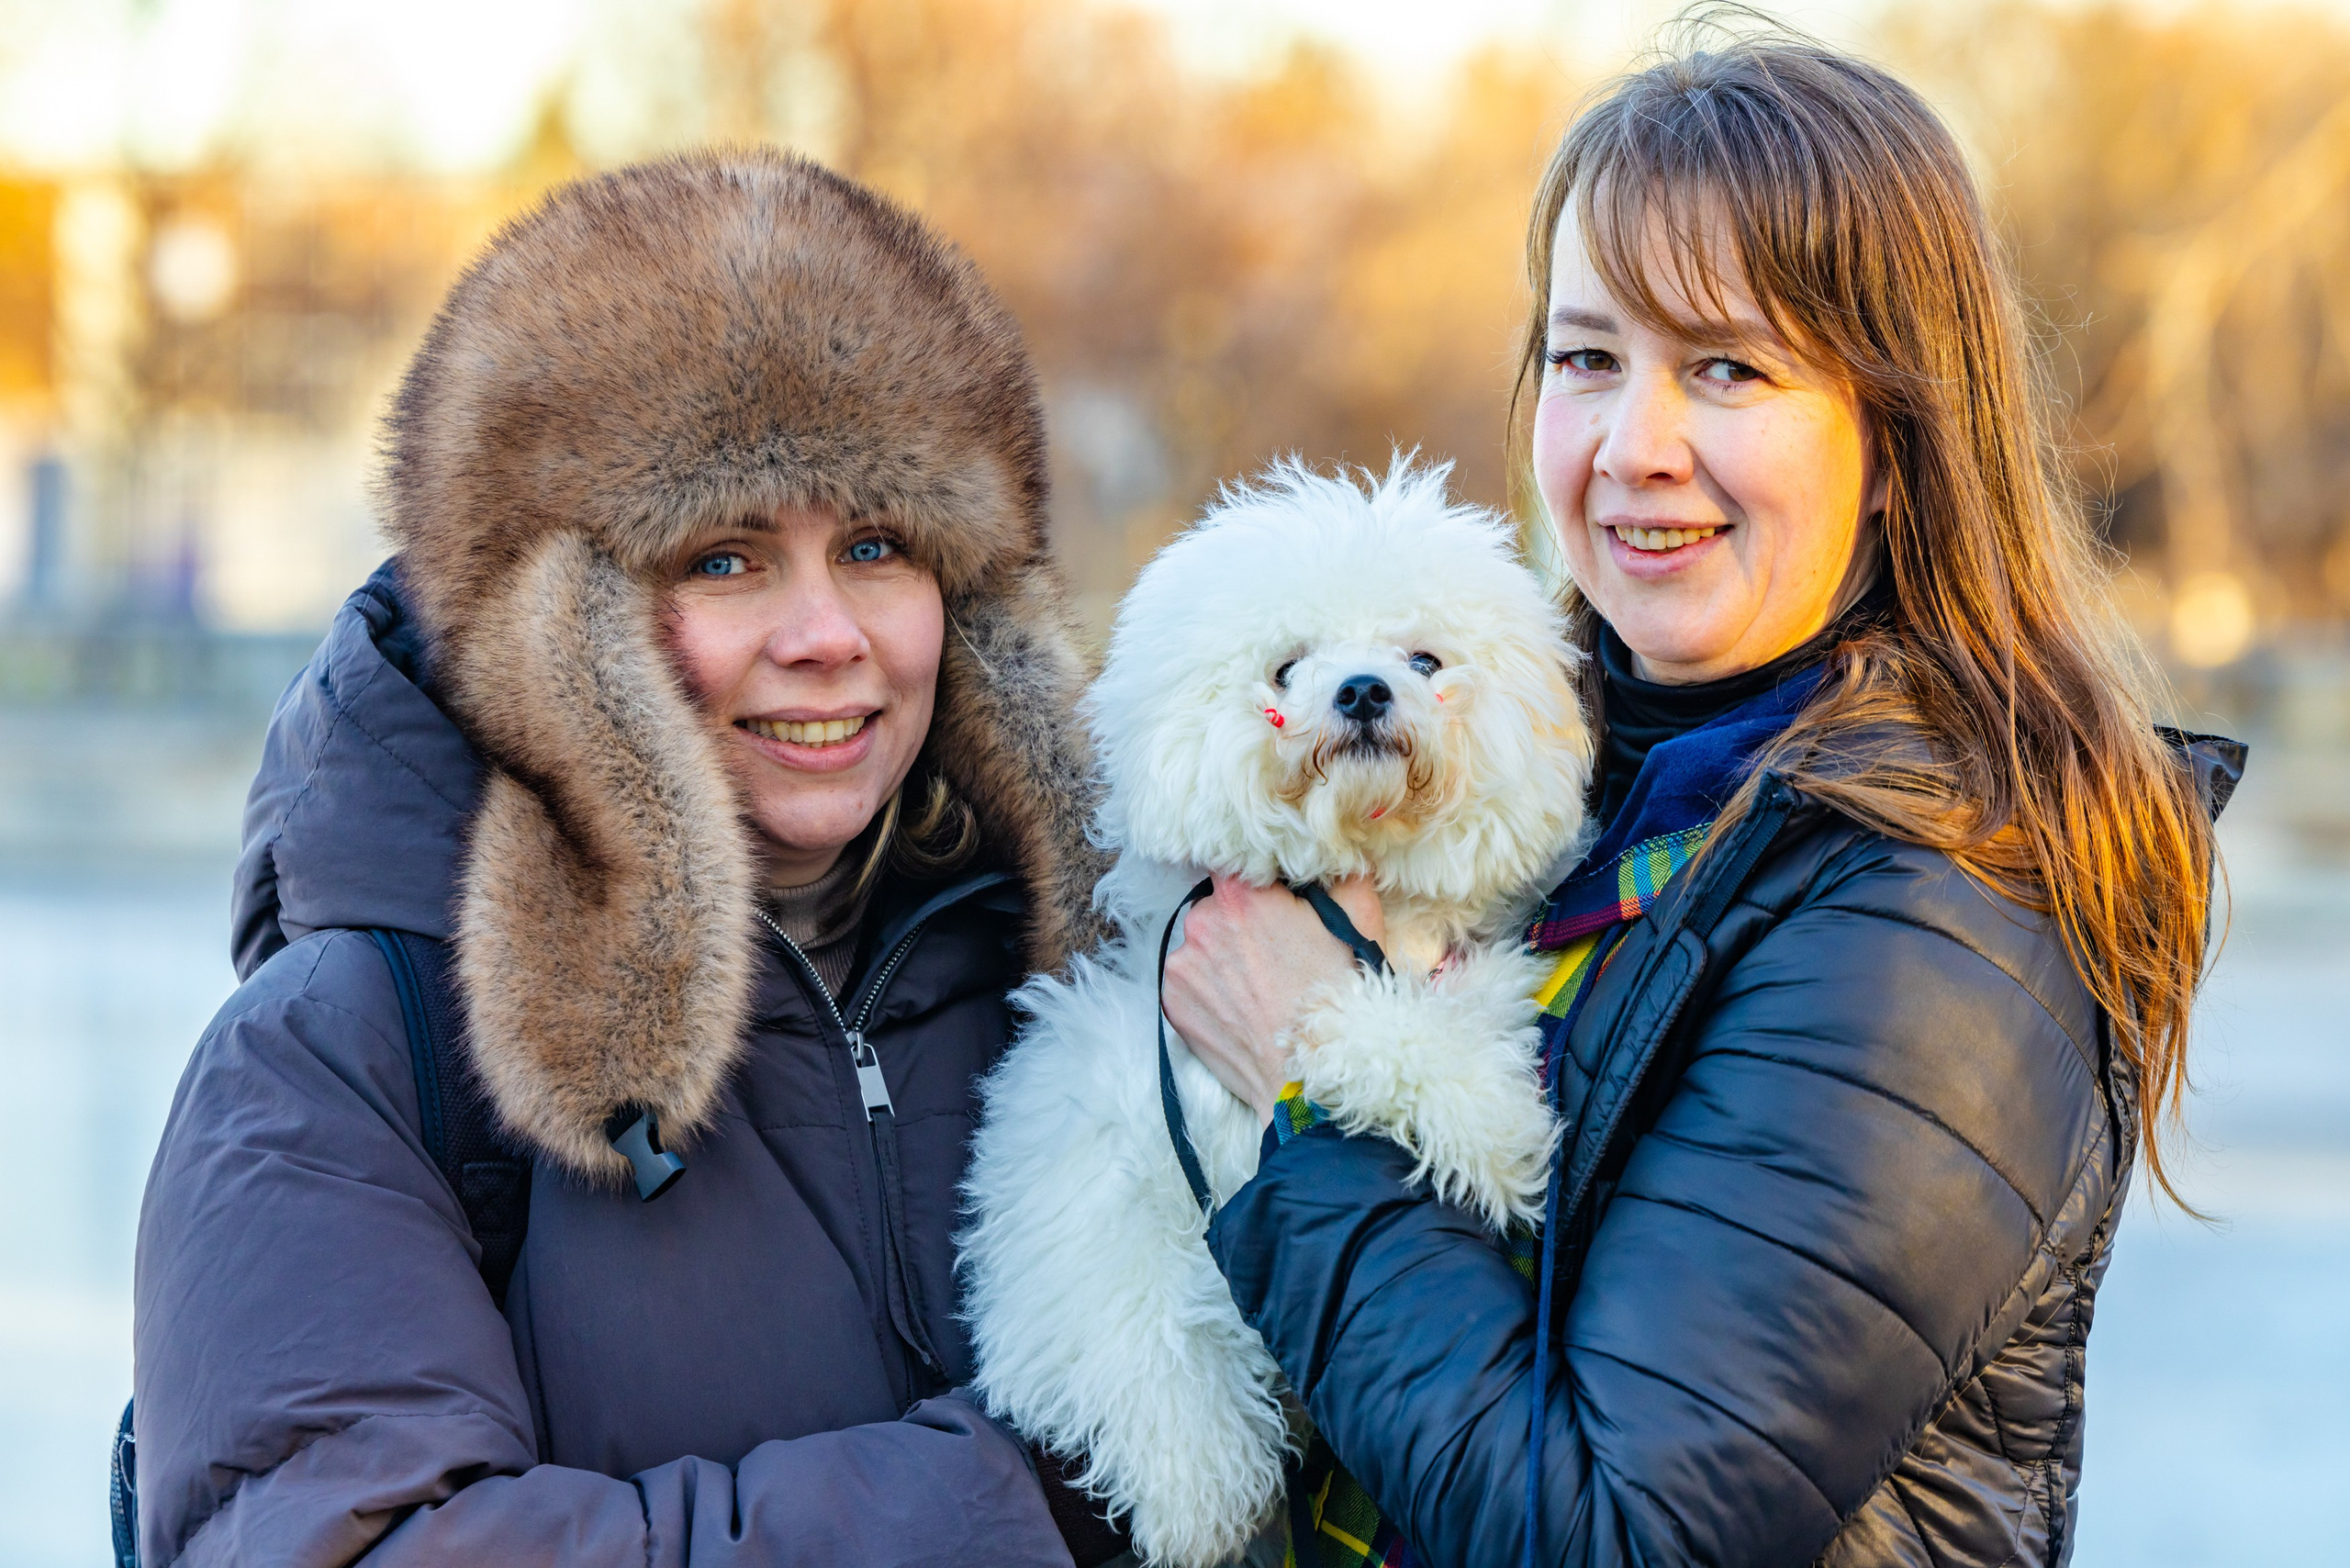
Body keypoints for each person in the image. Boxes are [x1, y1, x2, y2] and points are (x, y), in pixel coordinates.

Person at [1163, 29, 2243, 1568]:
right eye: (1590, 358)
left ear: (1894, 442)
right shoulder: (1566, 785)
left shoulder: (1939, 906)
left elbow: (1619, 1531)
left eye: (1727, 368)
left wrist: (1302, 1086)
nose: (1632, 449)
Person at [132, 151, 1123, 1566]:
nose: (827, 633)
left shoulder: (1098, 994)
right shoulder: (340, 1054)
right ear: (556, 631)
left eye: (881, 544)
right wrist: (1025, 1500)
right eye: (723, 557)